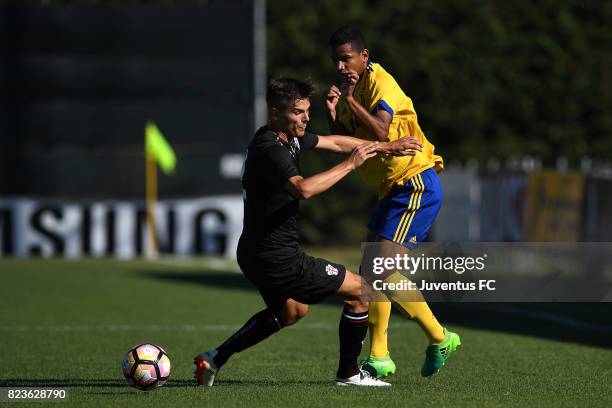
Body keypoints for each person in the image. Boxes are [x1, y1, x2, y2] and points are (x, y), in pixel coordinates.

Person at [194, 77, 424, 387]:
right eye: (297, 112)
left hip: (254, 252)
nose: (305, 118)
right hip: (279, 257)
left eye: (306, 111)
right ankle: (349, 374)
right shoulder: (269, 148)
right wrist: (350, 165)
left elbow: (338, 142)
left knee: (292, 311)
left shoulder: (290, 138)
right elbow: (303, 189)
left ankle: (214, 358)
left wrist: (386, 146)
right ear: (275, 113)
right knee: (362, 291)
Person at [325, 25, 461, 379]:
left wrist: (350, 99)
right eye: (336, 60)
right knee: (371, 273)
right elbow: (354, 142)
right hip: (392, 188)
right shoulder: (352, 89)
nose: (340, 66)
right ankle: (415, 344)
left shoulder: (380, 83)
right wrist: (333, 111)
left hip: (414, 181)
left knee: (375, 274)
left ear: (364, 56)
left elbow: (382, 132)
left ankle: (421, 342)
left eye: (346, 58)